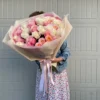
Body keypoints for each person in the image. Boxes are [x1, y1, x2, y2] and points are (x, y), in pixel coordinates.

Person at [29, 11, 70, 100]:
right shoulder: (32, 38)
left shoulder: (57, 34)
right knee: (43, 95)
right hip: (43, 72)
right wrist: (39, 60)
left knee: (58, 96)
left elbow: (66, 52)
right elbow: (33, 56)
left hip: (58, 73)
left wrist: (56, 59)